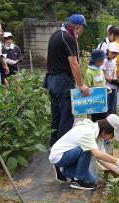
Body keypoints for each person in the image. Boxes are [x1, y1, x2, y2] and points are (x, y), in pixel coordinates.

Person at [49, 114, 119, 190]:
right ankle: (77, 181)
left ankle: (67, 170)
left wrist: (117, 170)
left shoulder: (99, 137)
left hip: (69, 156)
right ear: (106, 130)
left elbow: (102, 159)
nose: (111, 138)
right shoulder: (88, 132)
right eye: (112, 135)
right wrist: (117, 161)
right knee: (87, 150)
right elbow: (97, 154)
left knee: (91, 181)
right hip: (59, 156)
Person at [46, 14, 89, 147]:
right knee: (66, 117)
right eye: (82, 28)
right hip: (63, 81)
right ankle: (63, 148)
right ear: (77, 27)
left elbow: (48, 57)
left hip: (51, 80)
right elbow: (74, 64)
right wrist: (81, 85)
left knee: (56, 115)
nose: (82, 31)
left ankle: (53, 144)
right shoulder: (68, 38)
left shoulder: (56, 35)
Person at [84, 49, 109, 122]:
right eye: (102, 60)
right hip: (93, 101)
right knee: (95, 121)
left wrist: (106, 88)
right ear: (96, 60)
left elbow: (103, 83)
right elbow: (87, 87)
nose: (103, 61)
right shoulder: (89, 72)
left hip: (102, 99)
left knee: (103, 119)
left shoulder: (100, 70)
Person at [102, 42, 119, 114]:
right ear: (108, 51)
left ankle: (112, 119)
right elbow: (102, 73)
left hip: (114, 86)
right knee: (107, 106)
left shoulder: (114, 60)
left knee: (113, 106)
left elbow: (114, 71)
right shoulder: (104, 60)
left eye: (116, 53)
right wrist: (109, 79)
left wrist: (117, 81)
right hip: (107, 87)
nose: (114, 55)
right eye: (112, 53)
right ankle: (106, 120)